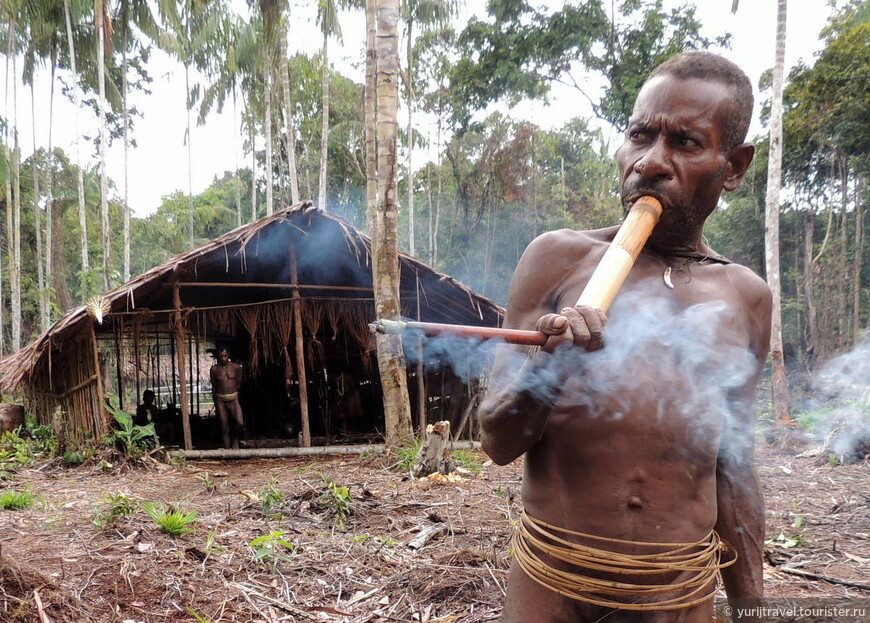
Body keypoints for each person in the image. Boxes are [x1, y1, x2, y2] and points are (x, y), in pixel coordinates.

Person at [480, 51, 771, 622]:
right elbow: (496, 441)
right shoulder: (558, 259)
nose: (651, 163)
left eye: (685, 143)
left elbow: (734, 472)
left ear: (732, 166)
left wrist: (753, 609)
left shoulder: (745, 295)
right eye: (640, 136)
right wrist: (548, 369)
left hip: (678, 596)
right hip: (554, 590)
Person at [210, 346, 246, 449]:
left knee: (240, 424)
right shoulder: (214, 369)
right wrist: (216, 403)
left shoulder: (236, 367)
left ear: (228, 355)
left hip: (233, 398)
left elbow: (239, 383)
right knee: (224, 427)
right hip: (220, 399)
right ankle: (227, 450)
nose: (223, 358)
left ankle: (236, 441)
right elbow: (214, 387)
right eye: (221, 356)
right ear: (218, 357)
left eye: (225, 356)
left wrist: (234, 393)